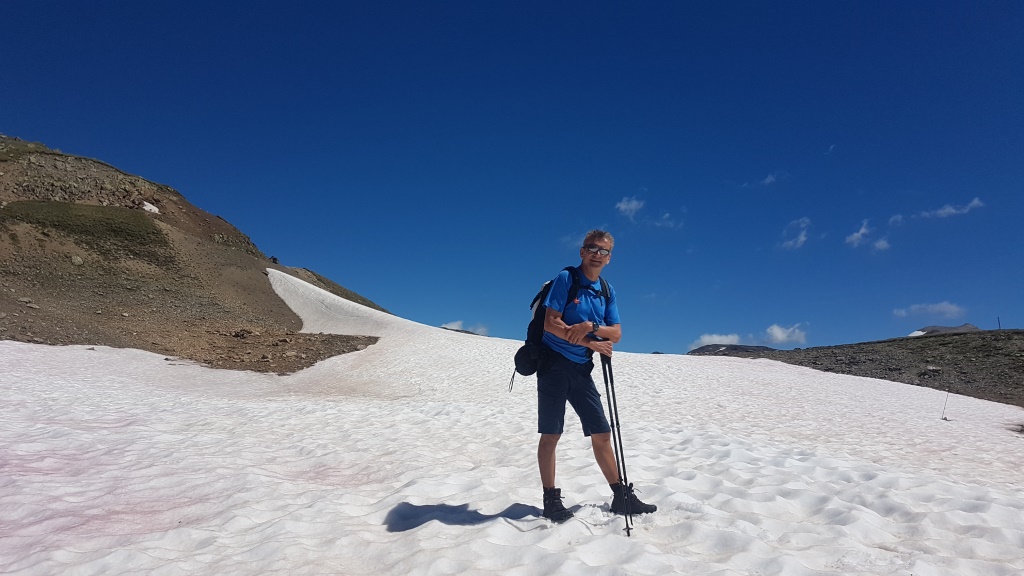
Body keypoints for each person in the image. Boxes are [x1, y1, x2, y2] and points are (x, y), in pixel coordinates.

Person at [536, 229, 657, 522]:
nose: (597, 255)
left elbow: (616, 333)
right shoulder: (567, 279)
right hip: (553, 364)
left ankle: (620, 496)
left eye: (603, 251)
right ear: (582, 251)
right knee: (551, 434)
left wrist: (590, 326)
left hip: (581, 369)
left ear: (609, 258)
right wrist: (591, 342)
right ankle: (550, 499)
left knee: (602, 432)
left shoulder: (606, 290)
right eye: (592, 248)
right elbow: (550, 324)